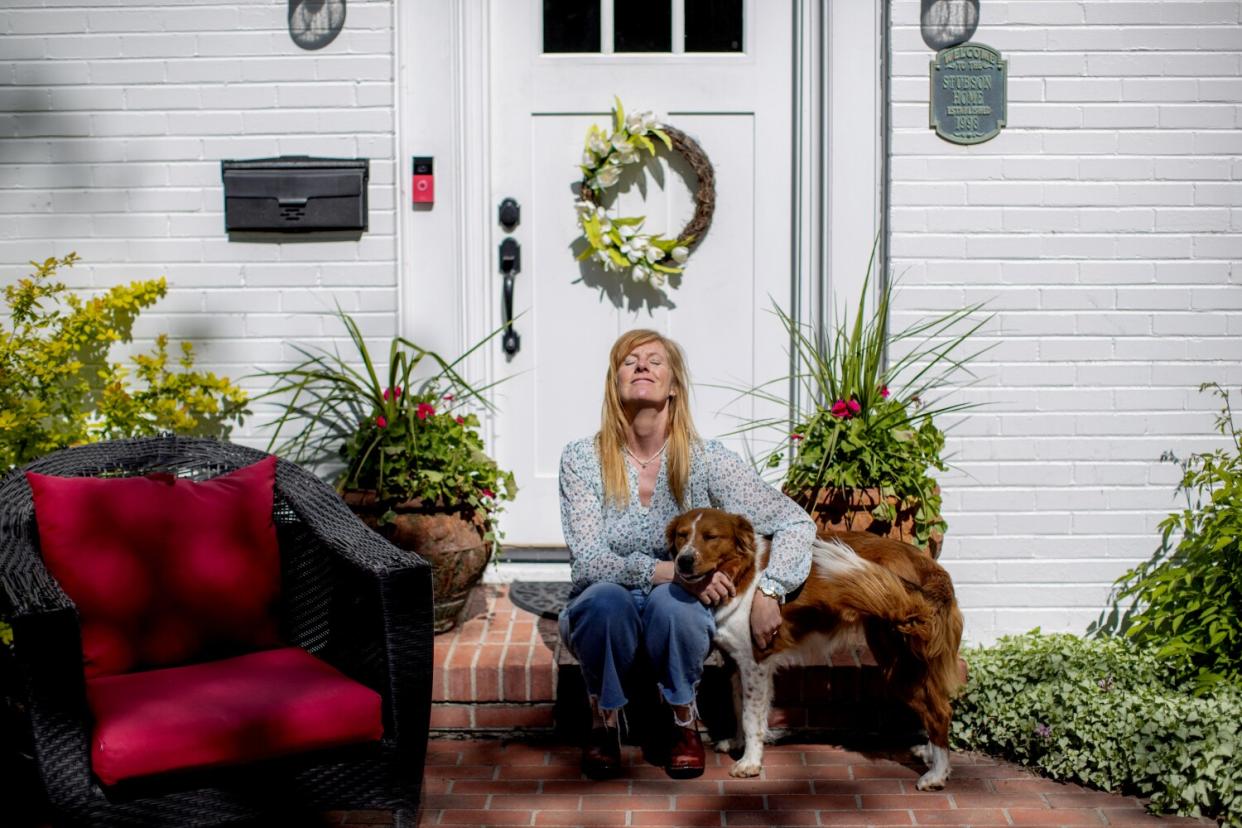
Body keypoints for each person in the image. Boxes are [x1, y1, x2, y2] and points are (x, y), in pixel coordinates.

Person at [558, 328, 815, 780]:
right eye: (629, 360)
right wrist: (666, 571)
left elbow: (795, 522)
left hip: (675, 604)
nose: (641, 366)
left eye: (655, 360)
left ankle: (683, 722)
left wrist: (770, 592)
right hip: (610, 599)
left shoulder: (708, 460)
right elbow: (588, 561)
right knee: (603, 599)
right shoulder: (582, 459)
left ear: (674, 385)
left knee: (675, 605)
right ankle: (604, 723)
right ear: (614, 382)